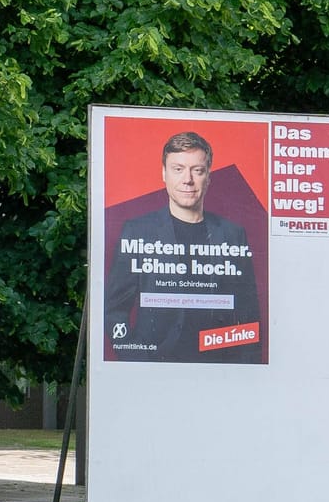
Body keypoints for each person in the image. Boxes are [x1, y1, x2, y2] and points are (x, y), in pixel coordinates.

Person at [104, 131, 259, 362]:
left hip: (217, 369)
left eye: (197, 170)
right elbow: (114, 308)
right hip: (154, 367)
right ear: (164, 174)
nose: (188, 179)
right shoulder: (137, 231)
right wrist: (134, 359)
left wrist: (243, 368)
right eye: (178, 169)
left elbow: (248, 313)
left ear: (208, 176)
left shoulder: (232, 234)